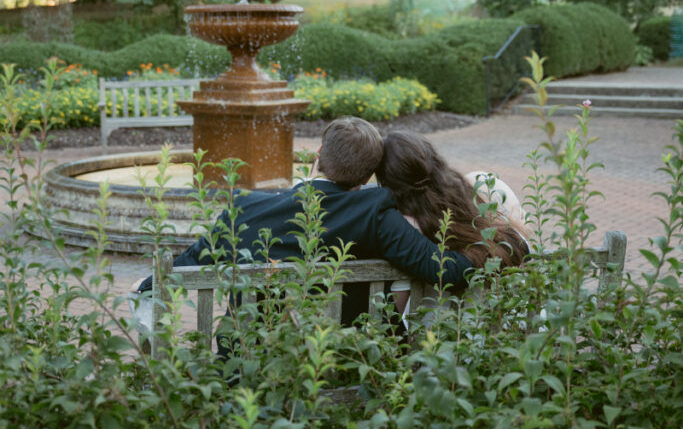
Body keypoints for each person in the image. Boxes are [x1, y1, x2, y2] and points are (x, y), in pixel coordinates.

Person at [135, 116, 476, 323]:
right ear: (368, 175)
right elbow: (447, 270)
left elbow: (181, 268)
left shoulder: (243, 208)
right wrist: (508, 244)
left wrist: (144, 289)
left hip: (246, 371)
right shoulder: (377, 214)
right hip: (342, 365)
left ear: (317, 156)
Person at [375, 130, 529, 313]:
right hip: (492, 334)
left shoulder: (403, 229)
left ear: (387, 182)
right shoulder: (469, 203)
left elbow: (395, 316)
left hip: (434, 336)